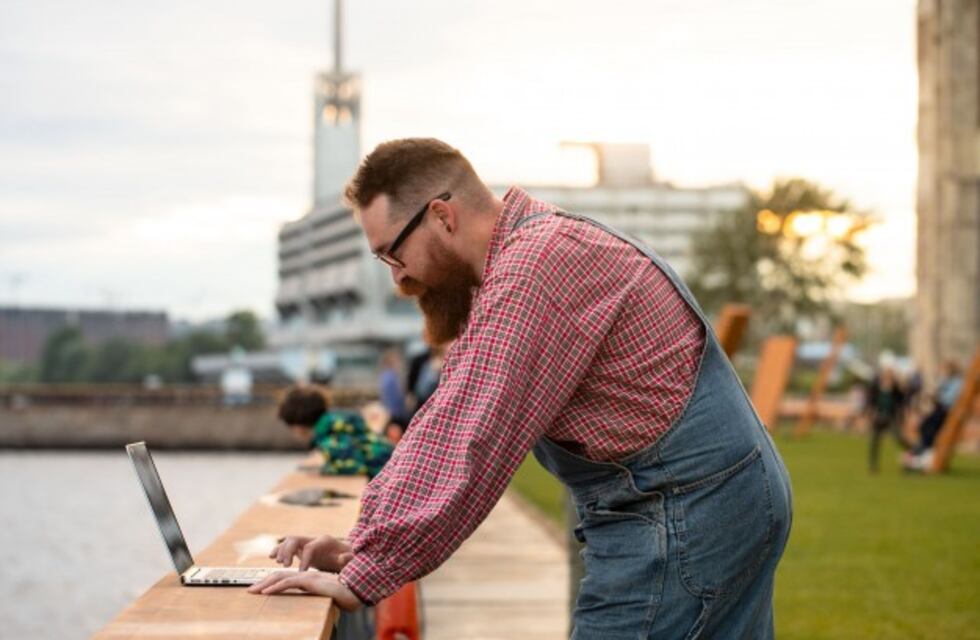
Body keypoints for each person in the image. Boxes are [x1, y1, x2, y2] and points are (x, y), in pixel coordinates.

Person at [250, 138, 793, 638]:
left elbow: (472, 431)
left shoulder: (534, 270)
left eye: (393, 254)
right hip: (715, 499)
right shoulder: (529, 255)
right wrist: (360, 546)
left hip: (684, 512)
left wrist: (367, 572)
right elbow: (449, 409)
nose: (398, 278)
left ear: (441, 215)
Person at [276, 386, 393, 479]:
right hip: (393, 469)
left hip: (389, 475)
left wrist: (323, 471)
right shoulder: (335, 420)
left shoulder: (329, 436)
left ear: (298, 427)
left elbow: (354, 466)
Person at [866, 364, 911, 473]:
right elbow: (871, 401)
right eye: (886, 376)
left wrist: (902, 387)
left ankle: (910, 457)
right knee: (874, 442)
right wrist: (871, 413)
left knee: (899, 439)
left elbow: (903, 401)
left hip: (891, 417)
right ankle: (873, 466)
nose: (888, 378)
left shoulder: (896, 389)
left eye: (890, 376)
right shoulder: (876, 387)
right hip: (879, 416)